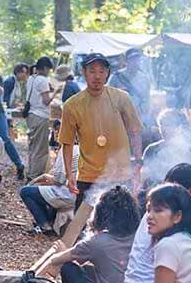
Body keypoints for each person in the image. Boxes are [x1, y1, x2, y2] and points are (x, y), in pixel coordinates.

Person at [60, 53, 144, 209]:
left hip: (120, 173)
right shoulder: (72, 105)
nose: (97, 76)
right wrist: (69, 174)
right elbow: (67, 142)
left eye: (101, 71)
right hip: (88, 175)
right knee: (83, 223)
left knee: (122, 223)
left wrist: (138, 162)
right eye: (92, 71)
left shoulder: (122, 98)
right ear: (84, 73)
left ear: (107, 73)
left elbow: (135, 131)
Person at [44, 186, 140, 283]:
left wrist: (62, 250)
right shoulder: (137, 236)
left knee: (68, 267)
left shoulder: (98, 242)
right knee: (87, 269)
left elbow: (56, 260)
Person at [19, 147, 79, 236]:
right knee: (43, 189)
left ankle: (44, 224)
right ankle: (50, 220)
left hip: (66, 194)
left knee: (25, 191)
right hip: (78, 194)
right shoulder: (81, 148)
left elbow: (59, 180)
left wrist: (43, 177)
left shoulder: (67, 149)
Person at [142, 109, 191, 187]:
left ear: (180, 127)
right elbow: (145, 174)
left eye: (169, 125)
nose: (164, 129)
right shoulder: (152, 149)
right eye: (161, 125)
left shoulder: (190, 150)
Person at [24, 57, 54, 179]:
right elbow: (46, 101)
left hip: (31, 115)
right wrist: (55, 93)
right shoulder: (42, 80)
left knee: (33, 147)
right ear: (46, 68)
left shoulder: (31, 78)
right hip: (41, 116)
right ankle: (36, 176)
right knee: (41, 149)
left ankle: (31, 172)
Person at [109, 48, 153, 124]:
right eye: (132, 59)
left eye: (137, 59)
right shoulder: (117, 77)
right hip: (121, 118)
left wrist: (146, 118)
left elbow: (147, 100)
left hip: (138, 117)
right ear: (126, 61)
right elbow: (108, 99)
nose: (135, 62)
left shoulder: (144, 78)